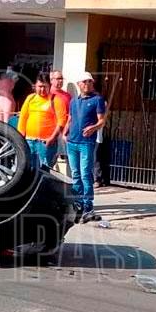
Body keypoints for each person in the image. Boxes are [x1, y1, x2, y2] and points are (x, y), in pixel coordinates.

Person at [66, 72, 106, 223]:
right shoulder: (73, 101)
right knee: (75, 174)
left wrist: (94, 128)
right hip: (72, 141)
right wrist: (65, 133)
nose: (87, 84)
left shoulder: (97, 99)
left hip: (86, 142)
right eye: (84, 81)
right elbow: (70, 118)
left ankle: (88, 206)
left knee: (85, 174)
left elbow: (101, 120)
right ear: (79, 84)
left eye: (90, 81)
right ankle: (78, 205)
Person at [18, 72, 68, 169]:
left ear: (49, 86)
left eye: (45, 86)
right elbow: (23, 119)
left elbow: (61, 122)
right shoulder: (30, 98)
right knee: (29, 170)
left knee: (44, 170)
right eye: (39, 86)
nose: (42, 89)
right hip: (29, 141)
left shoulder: (56, 100)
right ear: (35, 86)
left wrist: (52, 138)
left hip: (46, 143)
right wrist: (21, 138)